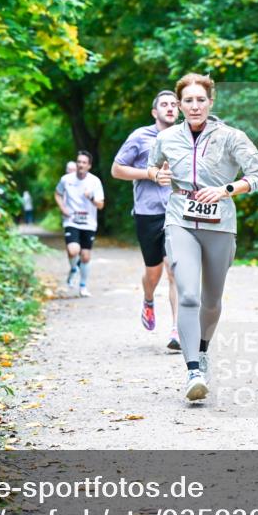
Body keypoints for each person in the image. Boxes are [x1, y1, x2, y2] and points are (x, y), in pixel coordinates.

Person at [148, 73, 258, 401]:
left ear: (211, 102)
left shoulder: (232, 137)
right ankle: (192, 371)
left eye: (201, 99)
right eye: (188, 100)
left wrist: (226, 190)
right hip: (180, 220)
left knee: (211, 300)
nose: (195, 106)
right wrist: (157, 174)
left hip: (220, 224)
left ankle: (202, 351)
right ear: (180, 104)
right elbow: (153, 168)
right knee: (188, 295)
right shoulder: (168, 138)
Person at [111, 90, 182, 350]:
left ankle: (177, 330)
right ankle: (149, 298)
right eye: (164, 104)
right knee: (154, 273)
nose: (170, 108)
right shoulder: (139, 137)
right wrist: (150, 174)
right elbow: (116, 169)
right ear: (155, 112)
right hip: (147, 213)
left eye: (174, 104)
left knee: (174, 270)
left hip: (176, 212)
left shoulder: (185, 137)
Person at [54, 151, 105, 298]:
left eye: (84, 162)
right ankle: (73, 269)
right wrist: (63, 208)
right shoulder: (66, 179)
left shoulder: (95, 181)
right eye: (79, 162)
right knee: (73, 250)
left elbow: (100, 205)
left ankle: (83, 286)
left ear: (89, 166)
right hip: (71, 221)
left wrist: (91, 197)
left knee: (86, 256)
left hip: (89, 223)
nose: (80, 164)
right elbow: (57, 193)